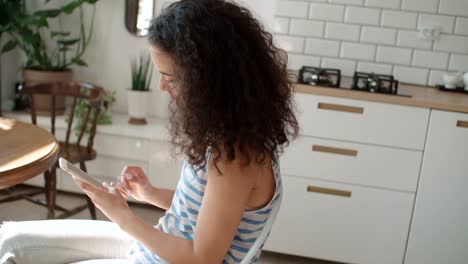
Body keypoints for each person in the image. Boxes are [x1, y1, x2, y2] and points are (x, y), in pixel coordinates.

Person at [0, 0, 299, 263]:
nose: (162, 86)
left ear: (210, 80)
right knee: (12, 238)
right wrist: (149, 194)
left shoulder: (236, 159)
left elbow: (201, 258)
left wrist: (123, 216)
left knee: (14, 251)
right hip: (160, 247)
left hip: (170, 257)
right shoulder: (230, 136)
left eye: (170, 76)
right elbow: (210, 213)